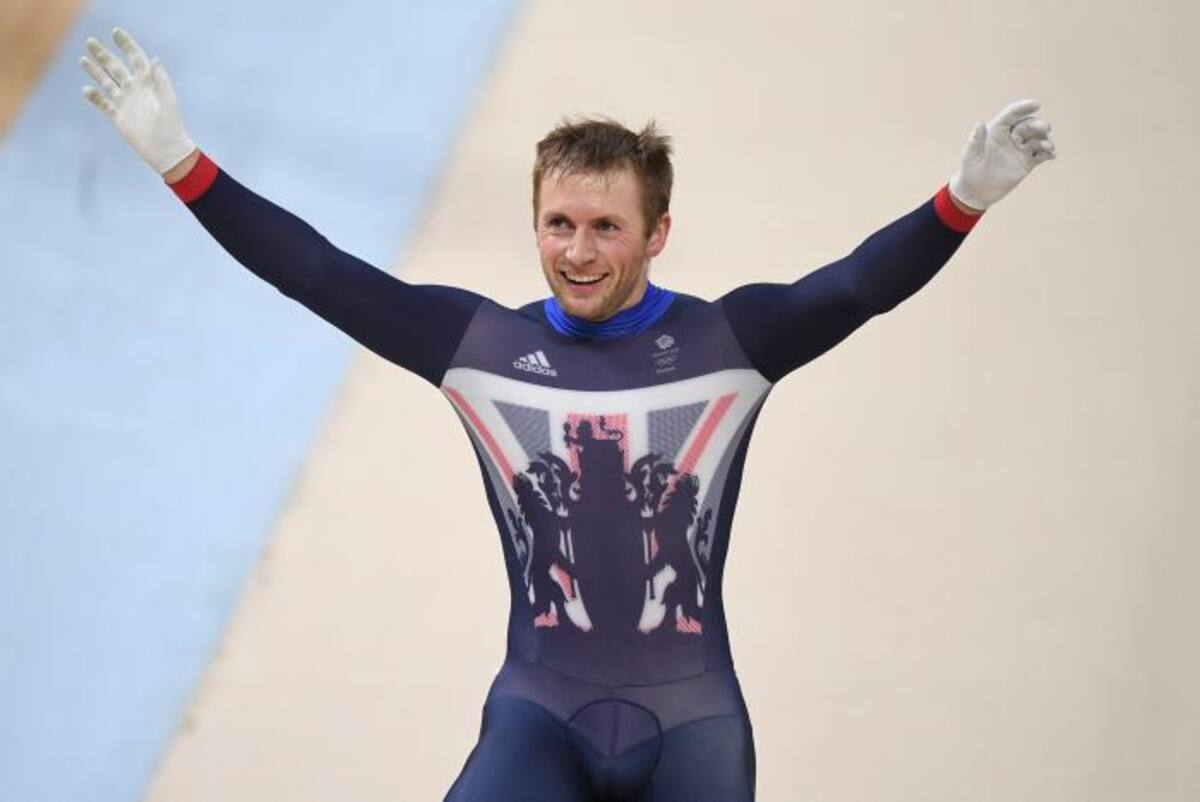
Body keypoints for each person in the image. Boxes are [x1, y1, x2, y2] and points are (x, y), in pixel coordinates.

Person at [80, 27, 1056, 802]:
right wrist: (183, 164)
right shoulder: (477, 346)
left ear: (657, 232)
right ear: (535, 222)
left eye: (605, 227)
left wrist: (960, 202)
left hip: (695, 727)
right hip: (540, 715)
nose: (578, 252)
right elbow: (317, 273)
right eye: (559, 223)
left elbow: (855, 286)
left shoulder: (734, 342)